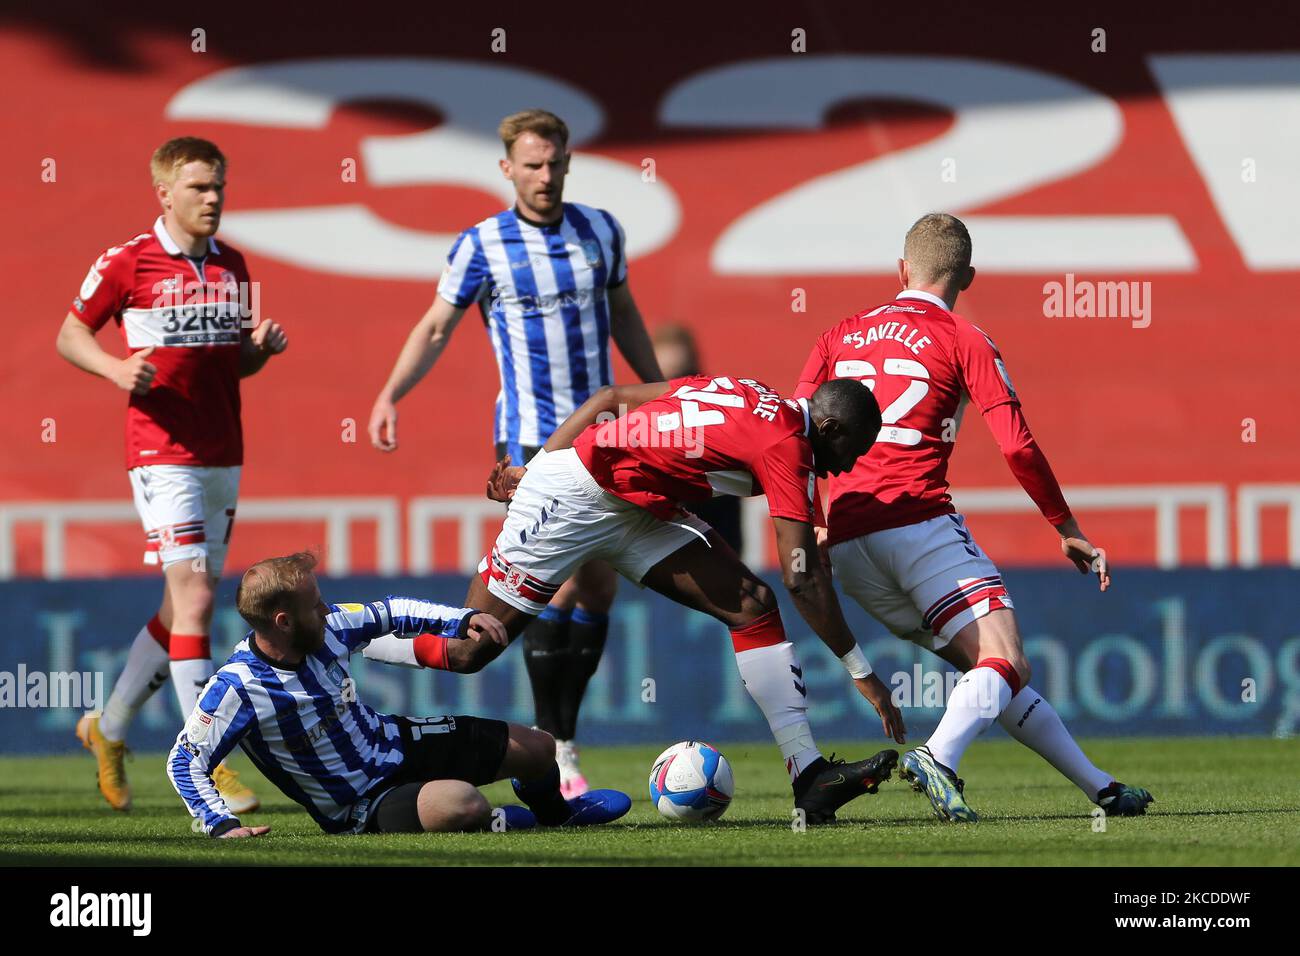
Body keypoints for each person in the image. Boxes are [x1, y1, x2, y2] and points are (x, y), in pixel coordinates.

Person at [367, 374, 906, 825]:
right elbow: (803, 579)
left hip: (638, 508)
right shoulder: (788, 445)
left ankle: (809, 778)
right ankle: (347, 633)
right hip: (572, 497)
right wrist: (862, 671)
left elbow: (608, 399)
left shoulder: (746, 390)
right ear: (829, 428)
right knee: (470, 648)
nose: (845, 468)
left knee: (750, 603)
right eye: (849, 452)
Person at [794, 212, 1154, 822]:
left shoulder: (838, 334)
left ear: (901, 269)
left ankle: (1103, 789)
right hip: (918, 524)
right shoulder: (964, 336)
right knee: (1007, 660)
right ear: (968, 275)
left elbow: (796, 431)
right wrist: (1065, 526)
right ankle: (938, 757)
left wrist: (811, 519)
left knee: (988, 672)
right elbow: (1015, 444)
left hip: (849, 546)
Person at [367, 109, 662, 798]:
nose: (545, 176)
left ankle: (563, 733)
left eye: (555, 163)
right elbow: (436, 326)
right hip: (530, 440)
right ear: (507, 169)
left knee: (597, 583)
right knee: (548, 581)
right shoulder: (482, 246)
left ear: (566, 163)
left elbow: (625, 314)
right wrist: (389, 395)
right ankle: (552, 743)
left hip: (604, 436)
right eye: (532, 165)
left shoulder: (601, 231)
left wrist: (659, 393)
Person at [56, 136, 287, 813]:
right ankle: (205, 761)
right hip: (161, 452)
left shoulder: (234, 267)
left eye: (218, 186)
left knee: (181, 605)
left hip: (222, 452)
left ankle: (110, 726)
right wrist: (115, 368)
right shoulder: (128, 262)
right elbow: (70, 334)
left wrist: (259, 354)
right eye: (198, 188)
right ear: (164, 192)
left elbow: (230, 365)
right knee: (193, 601)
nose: (212, 198)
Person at [167, 552, 631, 837]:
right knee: (461, 803)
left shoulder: (330, 627)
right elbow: (185, 760)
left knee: (538, 747)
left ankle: (557, 814)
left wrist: (459, 620)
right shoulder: (237, 688)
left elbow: (391, 612)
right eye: (314, 604)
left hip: (394, 742)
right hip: (359, 802)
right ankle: (493, 820)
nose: (326, 608)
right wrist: (222, 824)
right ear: (282, 622)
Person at [651, 324, 744, 552]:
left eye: (682, 376)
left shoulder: (719, 410)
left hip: (717, 538)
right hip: (657, 546)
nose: (674, 388)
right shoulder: (639, 417)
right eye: (665, 379)